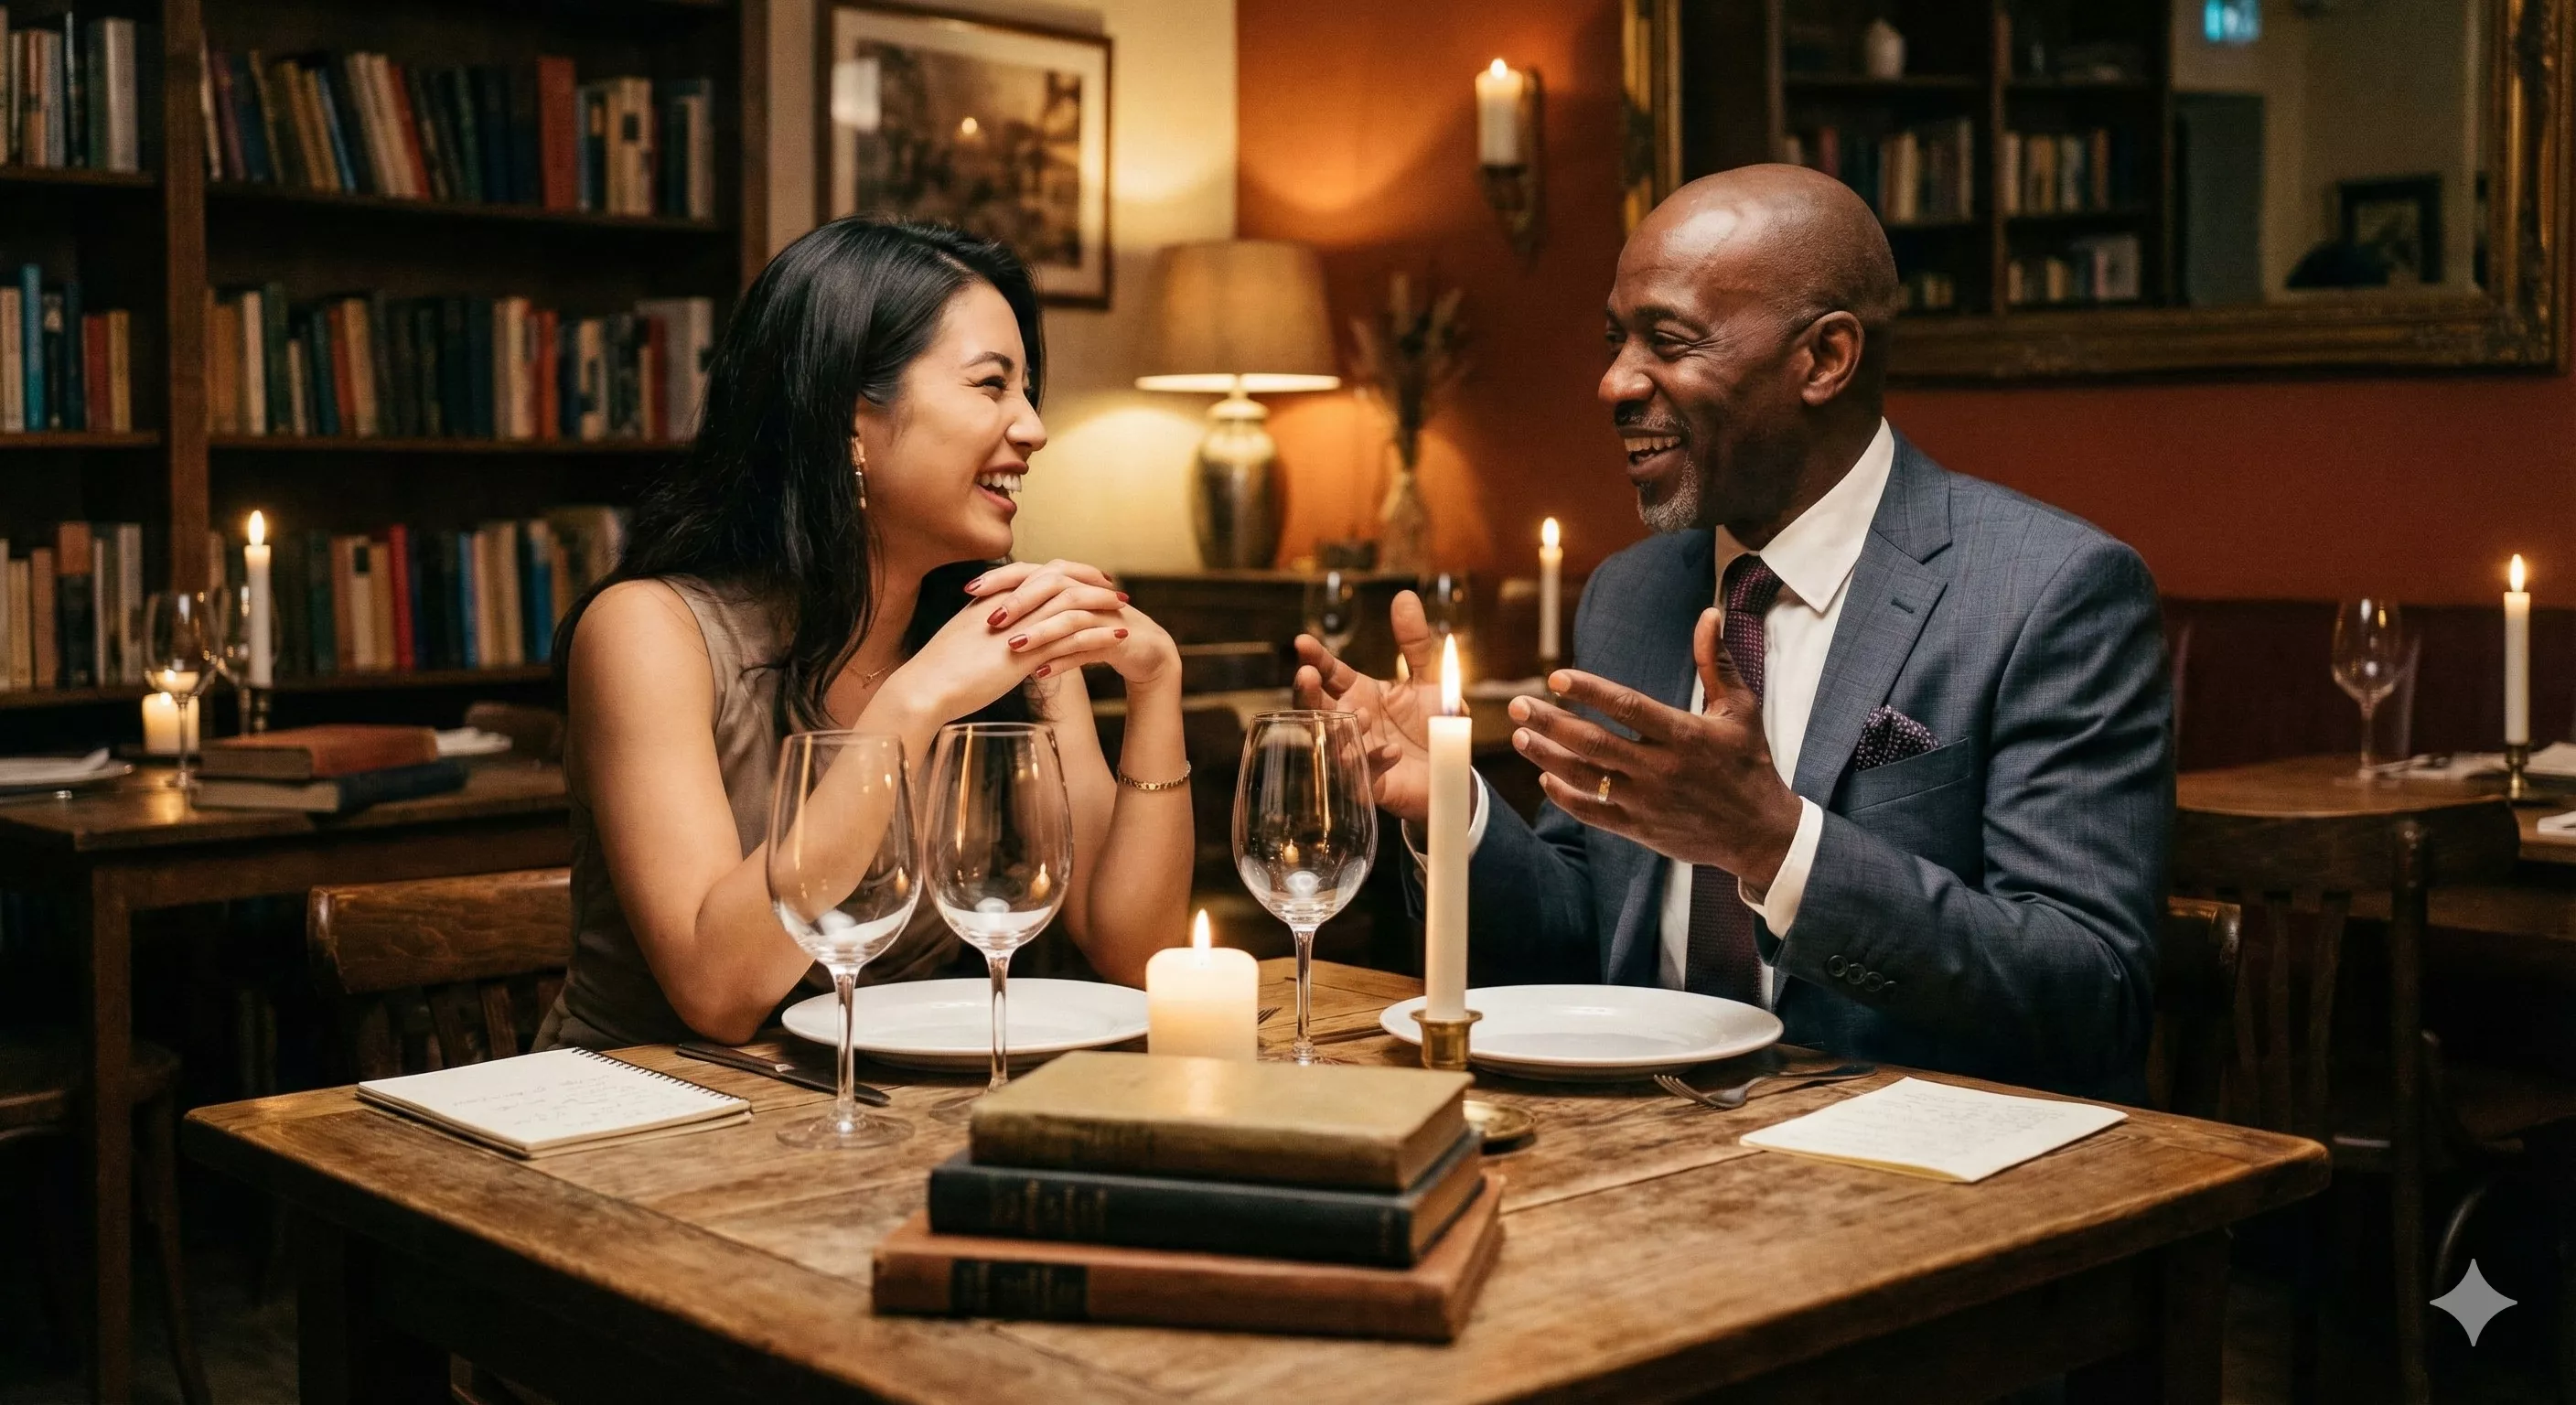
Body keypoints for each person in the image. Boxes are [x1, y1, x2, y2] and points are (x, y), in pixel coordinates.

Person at [1297, 166, 2171, 1099]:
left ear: (1823, 359)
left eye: (1666, 342)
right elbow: (1573, 940)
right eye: (1613, 340)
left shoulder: (2045, 593)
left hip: (1897, 1164)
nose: (1612, 383)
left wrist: (1777, 847)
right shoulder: (1630, 595)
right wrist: (1450, 809)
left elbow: (2091, 993)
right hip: (1627, 1149)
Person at [538, 219, 1194, 1051]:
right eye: (992, 386)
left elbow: (1135, 954)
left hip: (880, 1130)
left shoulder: (995, 637)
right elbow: (718, 990)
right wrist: (915, 701)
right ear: (849, 416)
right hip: (641, 1125)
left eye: (1029, 392)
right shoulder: (649, 632)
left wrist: (1154, 687)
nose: (1032, 428)